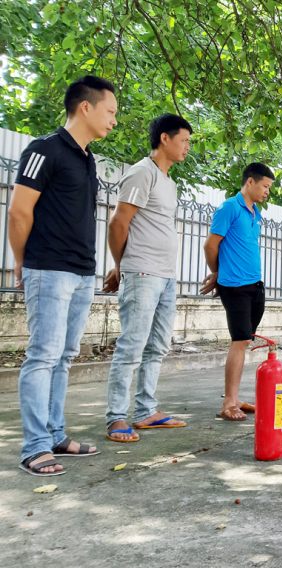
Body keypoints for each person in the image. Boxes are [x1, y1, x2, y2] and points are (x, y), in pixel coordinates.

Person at [9, 76, 117, 475]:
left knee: (65, 357)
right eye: (111, 112)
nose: (114, 121)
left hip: (81, 273)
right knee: (42, 356)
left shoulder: (87, 159)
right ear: (85, 107)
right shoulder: (44, 149)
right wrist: (23, 260)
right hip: (48, 268)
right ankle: (34, 446)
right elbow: (19, 211)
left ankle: (54, 434)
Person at [102, 114, 193, 442]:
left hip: (166, 276)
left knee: (156, 345)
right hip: (142, 272)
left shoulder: (168, 181)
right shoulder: (142, 173)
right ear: (165, 139)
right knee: (132, 345)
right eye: (183, 140)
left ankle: (145, 411)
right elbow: (118, 223)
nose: (187, 147)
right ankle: (115, 418)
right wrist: (121, 265)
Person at [201, 162, 273, 421]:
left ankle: (236, 397)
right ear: (250, 181)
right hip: (234, 286)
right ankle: (228, 402)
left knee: (244, 342)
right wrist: (219, 272)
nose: (267, 191)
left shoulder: (256, 213)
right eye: (265, 186)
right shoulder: (229, 207)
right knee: (239, 340)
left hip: (255, 285)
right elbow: (211, 245)